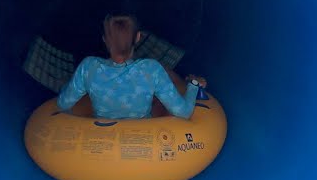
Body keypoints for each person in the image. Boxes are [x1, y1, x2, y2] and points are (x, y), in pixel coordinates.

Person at [58, 14, 206, 120]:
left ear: (104, 39)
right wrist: (193, 86)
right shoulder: (151, 69)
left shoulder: (88, 68)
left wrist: (68, 85)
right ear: (138, 37)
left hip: (101, 133)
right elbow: (184, 112)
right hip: (143, 134)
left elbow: (63, 103)